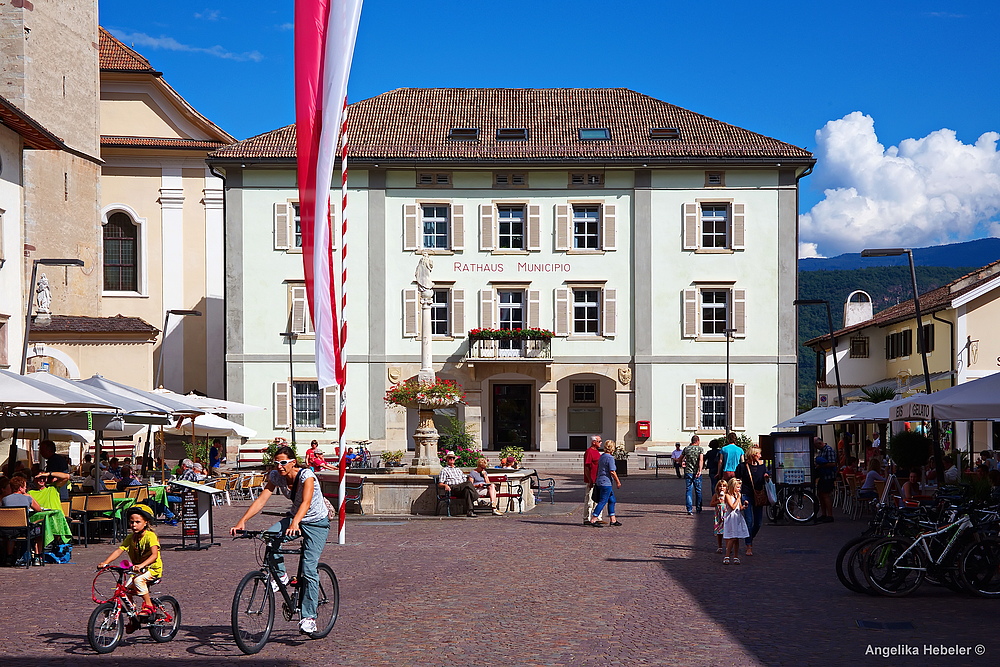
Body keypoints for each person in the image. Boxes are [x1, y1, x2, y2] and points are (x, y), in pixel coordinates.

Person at [231, 446, 330, 636]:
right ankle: (281, 575)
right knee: (269, 536)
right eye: (276, 462)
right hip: (295, 518)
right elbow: (261, 500)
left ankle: (309, 617)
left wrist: (295, 523)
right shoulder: (276, 476)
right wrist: (242, 521)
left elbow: (306, 502)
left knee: (309, 569)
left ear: (293, 462)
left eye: (283, 462)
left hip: (316, 522)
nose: (279, 466)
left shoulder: (306, 475)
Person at [99, 504, 163, 620]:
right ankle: (134, 617)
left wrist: (141, 565)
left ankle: (148, 605)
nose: (133, 525)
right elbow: (119, 550)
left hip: (152, 569)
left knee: (138, 580)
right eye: (131, 522)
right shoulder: (131, 537)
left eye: (137, 522)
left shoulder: (150, 536)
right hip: (138, 569)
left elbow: (154, 555)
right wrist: (105, 562)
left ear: (146, 522)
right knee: (126, 591)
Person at [1, 476, 44, 565]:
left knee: (11, 533)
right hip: (23, 530)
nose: (26, 488)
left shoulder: (5, 499)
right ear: (20, 488)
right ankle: (37, 557)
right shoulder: (27, 498)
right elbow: (39, 509)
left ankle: (9, 556)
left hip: (7, 530)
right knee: (40, 530)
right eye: (25, 486)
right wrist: (29, 496)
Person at [736, 446, 769, 556]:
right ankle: (749, 545)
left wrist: (767, 477)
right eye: (758, 454)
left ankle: (749, 536)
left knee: (758, 523)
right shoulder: (742, 466)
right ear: (753, 455)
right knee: (749, 521)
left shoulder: (762, 466)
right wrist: (737, 494)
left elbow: (766, 479)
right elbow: (737, 480)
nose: (760, 456)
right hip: (746, 495)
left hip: (758, 496)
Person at [587, 440, 622, 527]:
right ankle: (593, 519)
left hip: (600, 481)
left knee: (612, 500)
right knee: (603, 501)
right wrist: (618, 482)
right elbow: (612, 471)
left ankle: (613, 519)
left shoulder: (602, 456)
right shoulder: (610, 458)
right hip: (606, 483)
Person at [437, 451, 479, 518]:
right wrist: (445, 485)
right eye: (450, 458)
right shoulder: (444, 470)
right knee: (468, 483)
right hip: (453, 488)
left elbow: (464, 480)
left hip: (461, 487)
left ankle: (470, 511)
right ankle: (477, 498)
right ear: (447, 459)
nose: (452, 459)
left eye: (453, 458)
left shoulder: (458, 470)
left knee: (467, 490)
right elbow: (440, 483)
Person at [722, 478, 750, 564]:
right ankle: (727, 555)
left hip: (737, 518)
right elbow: (732, 507)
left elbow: (739, 507)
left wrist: (744, 506)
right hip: (731, 518)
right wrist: (738, 498)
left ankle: (736, 556)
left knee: (736, 538)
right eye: (737, 487)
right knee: (732, 537)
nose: (739, 489)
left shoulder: (737, 495)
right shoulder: (727, 495)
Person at [813, 437, 837, 523]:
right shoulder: (821, 451)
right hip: (822, 476)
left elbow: (833, 463)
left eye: (815, 445)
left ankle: (830, 515)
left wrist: (821, 466)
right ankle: (824, 514)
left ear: (819, 443)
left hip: (828, 476)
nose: (815, 448)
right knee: (820, 494)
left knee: (826, 495)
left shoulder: (828, 450)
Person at [583, 435, 604, 525]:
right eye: (599, 441)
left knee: (597, 499)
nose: (601, 443)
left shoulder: (597, 452)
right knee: (589, 500)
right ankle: (586, 518)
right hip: (591, 479)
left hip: (598, 479)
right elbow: (587, 467)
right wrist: (590, 480)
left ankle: (597, 517)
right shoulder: (589, 452)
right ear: (594, 442)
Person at [681, 435, 704, 515]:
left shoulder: (686, 449)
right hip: (697, 472)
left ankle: (689, 509)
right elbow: (701, 460)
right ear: (697, 441)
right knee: (698, 491)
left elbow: (681, 458)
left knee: (689, 491)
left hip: (688, 471)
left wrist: (681, 462)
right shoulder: (700, 449)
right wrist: (700, 470)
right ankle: (698, 508)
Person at [710, 480, 727, 554]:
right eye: (720, 486)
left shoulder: (727, 495)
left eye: (724, 486)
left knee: (727, 530)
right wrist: (717, 502)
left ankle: (728, 546)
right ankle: (720, 546)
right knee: (719, 531)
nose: (722, 488)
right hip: (718, 515)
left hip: (726, 515)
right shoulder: (716, 495)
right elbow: (711, 504)